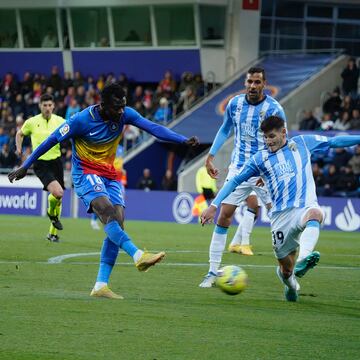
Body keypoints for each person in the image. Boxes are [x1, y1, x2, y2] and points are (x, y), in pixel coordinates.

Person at [8, 82, 199, 299]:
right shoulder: (80, 120)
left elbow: (154, 128)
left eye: (123, 106)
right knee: (107, 212)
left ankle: (100, 285)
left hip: (109, 175)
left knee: (117, 222)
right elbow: (51, 141)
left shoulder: (125, 114)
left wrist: (182, 140)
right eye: (116, 108)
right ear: (103, 105)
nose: (121, 112)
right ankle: (138, 255)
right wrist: (26, 165)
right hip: (85, 174)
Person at [201, 115, 360, 302]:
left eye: (271, 136)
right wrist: (213, 205)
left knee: (316, 214)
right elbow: (235, 180)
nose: (268, 141)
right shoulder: (260, 159)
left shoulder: (302, 143)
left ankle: (305, 258)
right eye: (266, 137)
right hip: (280, 218)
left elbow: (334, 142)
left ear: (283, 132)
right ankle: (291, 285)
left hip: (303, 207)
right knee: (286, 269)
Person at [199, 67, 286, 288]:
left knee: (282, 221)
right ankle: (211, 271)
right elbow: (225, 129)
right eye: (249, 82)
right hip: (239, 169)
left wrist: (273, 170)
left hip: (265, 173)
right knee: (224, 216)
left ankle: (290, 274)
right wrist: (210, 156)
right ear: (245, 83)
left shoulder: (274, 109)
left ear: (264, 84)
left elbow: (283, 141)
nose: (253, 86)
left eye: (257, 82)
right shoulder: (235, 104)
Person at [15, 93, 65, 242]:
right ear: (40, 106)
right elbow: (19, 134)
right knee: (58, 192)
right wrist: (19, 150)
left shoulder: (60, 121)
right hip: (41, 163)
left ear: (54, 106)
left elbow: (74, 132)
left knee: (59, 198)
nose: (48, 108)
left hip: (56, 161)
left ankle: (53, 233)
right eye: (45, 105)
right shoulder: (32, 122)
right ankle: (51, 213)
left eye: (50, 105)